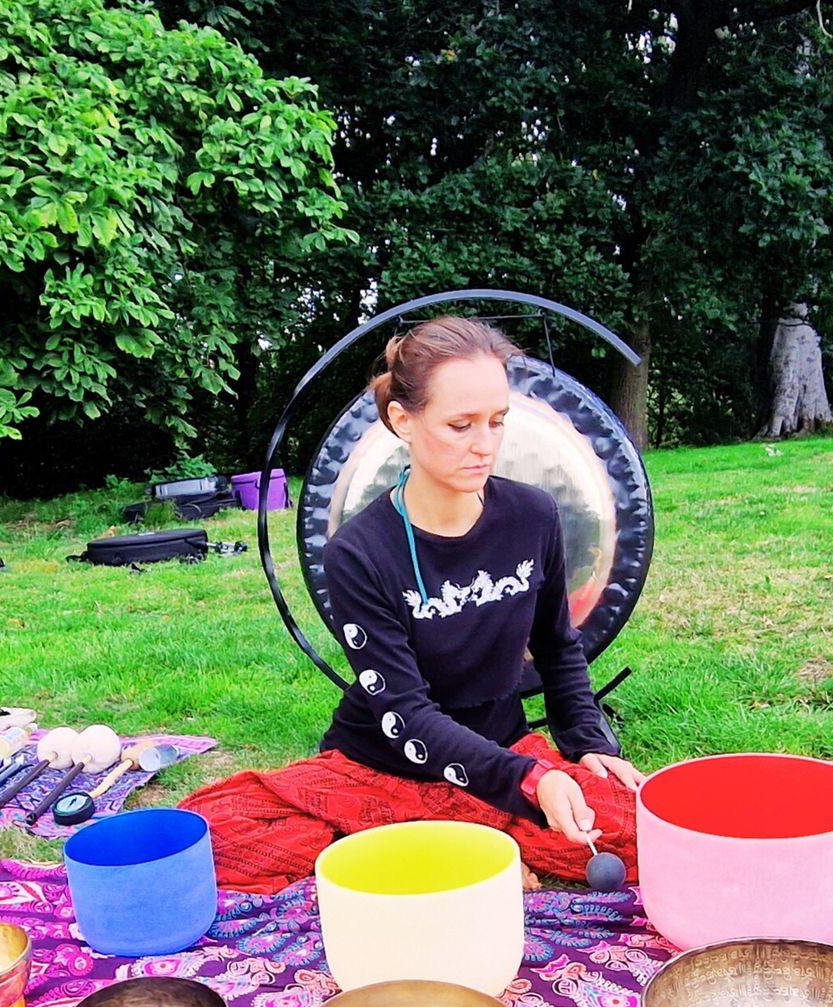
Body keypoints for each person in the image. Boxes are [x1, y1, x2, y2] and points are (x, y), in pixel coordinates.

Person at [183, 316, 644, 892]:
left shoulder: (534, 515)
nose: (485, 445)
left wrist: (586, 745)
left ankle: (434, 851)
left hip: (498, 754)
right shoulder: (359, 552)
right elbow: (406, 715)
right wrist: (530, 783)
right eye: (460, 425)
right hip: (382, 763)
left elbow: (557, 647)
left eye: (497, 421)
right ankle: (441, 851)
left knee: (641, 827)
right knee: (212, 839)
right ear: (402, 419)